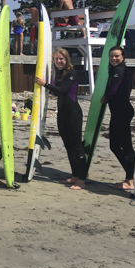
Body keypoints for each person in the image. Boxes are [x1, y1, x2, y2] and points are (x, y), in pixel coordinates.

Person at [35, 49, 87, 190]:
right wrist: (49, 81)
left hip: (73, 113)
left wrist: (45, 83)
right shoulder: (59, 73)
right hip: (63, 113)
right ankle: (75, 175)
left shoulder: (71, 73)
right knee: (68, 145)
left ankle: (81, 179)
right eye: (56, 59)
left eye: (61, 59)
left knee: (76, 146)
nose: (59, 61)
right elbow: (54, 90)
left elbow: (62, 90)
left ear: (66, 59)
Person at [100, 46, 135, 190]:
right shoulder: (117, 70)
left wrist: (105, 98)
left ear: (123, 57)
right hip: (119, 112)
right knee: (115, 145)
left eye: (117, 56)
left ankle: (130, 179)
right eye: (112, 56)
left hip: (122, 112)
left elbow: (114, 90)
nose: (114, 59)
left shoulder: (119, 70)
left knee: (125, 147)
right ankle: (131, 175)